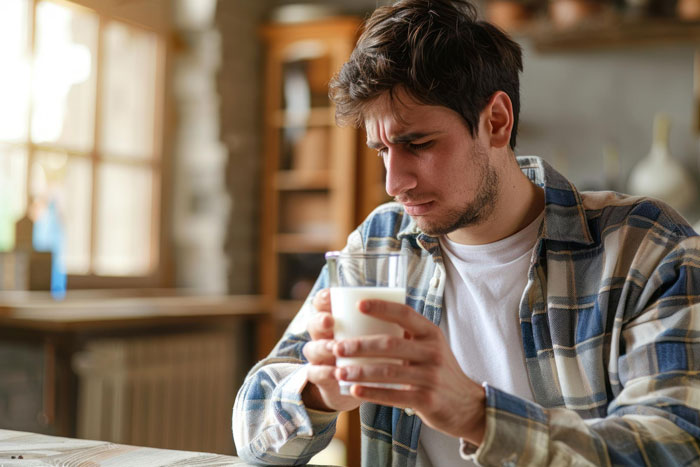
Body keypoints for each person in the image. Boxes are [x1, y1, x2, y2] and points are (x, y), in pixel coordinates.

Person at [233, 0, 700, 465]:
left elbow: (675, 444)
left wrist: (476, 414)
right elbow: (251, 431)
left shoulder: (647, 248)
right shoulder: (380, 243)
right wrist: (317, 391)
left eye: (417, 143)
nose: (394, 184)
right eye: (381, 151)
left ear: (496, 121)